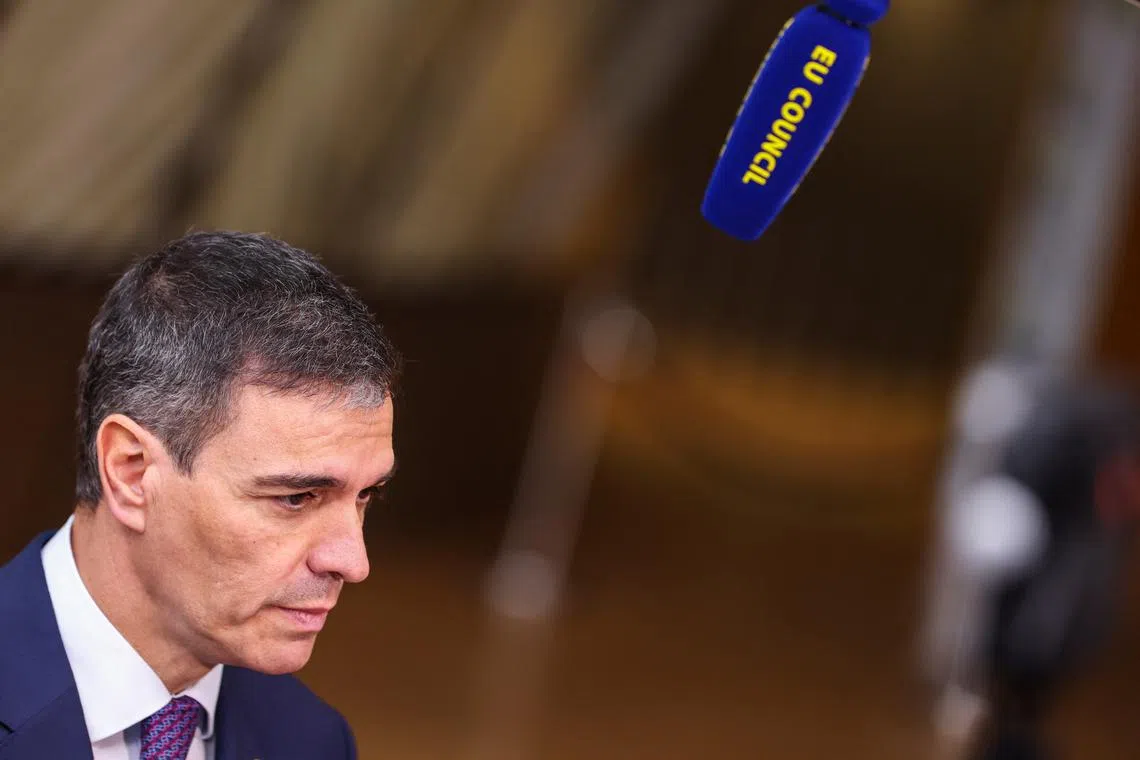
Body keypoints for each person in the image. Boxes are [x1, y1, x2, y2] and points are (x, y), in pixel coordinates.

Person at [0, 230, 401, 760]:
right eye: (297, 498)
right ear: (131, 472)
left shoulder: (312, 740)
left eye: (365, 495)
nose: (353, 562)